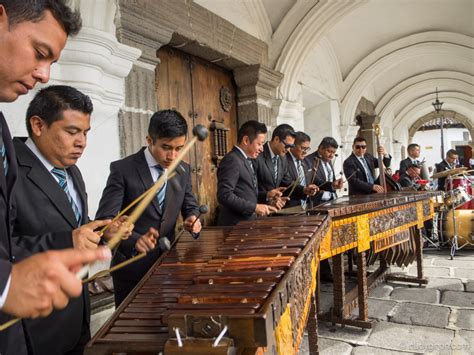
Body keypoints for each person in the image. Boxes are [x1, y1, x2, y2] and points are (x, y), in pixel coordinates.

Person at [0, 2, 111, 354]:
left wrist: (104, 232)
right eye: (39, 53)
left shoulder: (2, 128)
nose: (44, 75)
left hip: (67, 322)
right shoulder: (18, 159)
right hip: (31, 329)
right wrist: (5, 285)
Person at [12, 86, 131, 354]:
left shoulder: (72, 172)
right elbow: (4, 248)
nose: (82, 142)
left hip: (77, 316)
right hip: (33, 327)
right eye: (72, 131)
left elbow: (75, 225)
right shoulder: (9, 170)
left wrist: (105, 233)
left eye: (86, 133)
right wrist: (68, 241)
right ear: (38, 125)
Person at [96, 109, 201, 307]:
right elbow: (105, 222)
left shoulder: (182, 170)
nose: (173, 155)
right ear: (149, 140)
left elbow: (191, 205)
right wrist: (135, 241)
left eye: (179, 148)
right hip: (131, 269)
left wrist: (193, 220)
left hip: (168, 265)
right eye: (166, 147)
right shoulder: (122, 169)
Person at [217, 120, 278, 226]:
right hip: (234, 226)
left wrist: (267, 196)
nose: (262, 149)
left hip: (246, 224)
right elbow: (224, 195)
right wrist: (254, 207)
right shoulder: (232, 160)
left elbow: (245, 193)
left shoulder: (246, 159)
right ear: (246, 140)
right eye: (259, 144)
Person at [255, 124, 317, 209]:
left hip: (276, 211)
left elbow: (287, 183)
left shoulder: (282, 157)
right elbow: (250, 189)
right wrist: (267, 196)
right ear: (276, 139)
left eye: (291, 146)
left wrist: (304, 189)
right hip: (259, 210)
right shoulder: (257, 155)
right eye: (287, 146)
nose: (288, 150)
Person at [305, 137, 344, 206]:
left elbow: (332, 179)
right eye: (329, 151)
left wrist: (336, 184)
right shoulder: (309, 160)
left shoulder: (328, 160)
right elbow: (315, 181)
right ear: (320, 148)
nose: (332, 155)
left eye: (334, 152)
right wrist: (331, 185)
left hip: (332, 200)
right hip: (317, 202)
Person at [285, 132, 315, 209]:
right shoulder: (284, 161)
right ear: (292, 146)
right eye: (302, 148)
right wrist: (304, 190)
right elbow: (287, 183)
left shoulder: (307, 161)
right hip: (290, 209)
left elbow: (311, 180)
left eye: (307, 149)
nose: (305, 152)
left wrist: (313, 188)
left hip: (306, 207)